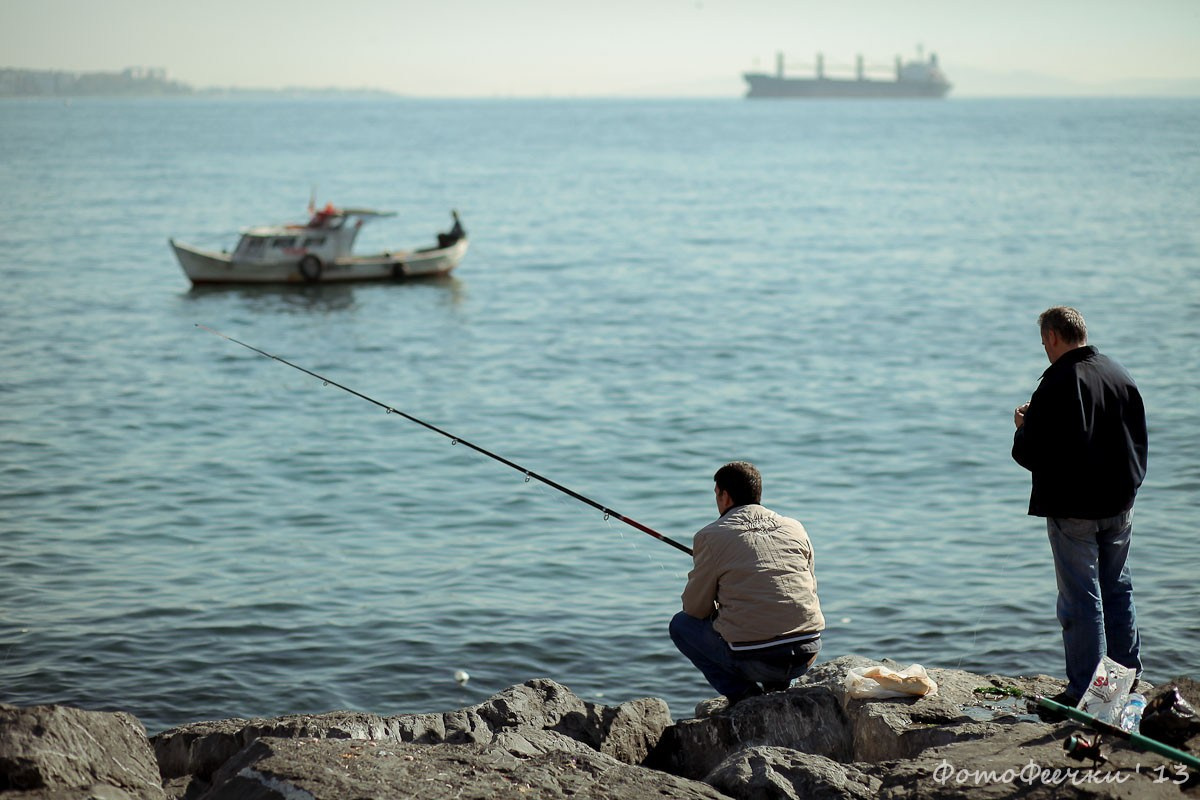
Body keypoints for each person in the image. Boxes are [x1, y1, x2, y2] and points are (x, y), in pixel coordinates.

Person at [1012, 306, 1148, 704]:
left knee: (1081, 599)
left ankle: (1087, 691)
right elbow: (1136, 438)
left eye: (1044, 343)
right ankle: (1126, 679)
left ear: (1053, 337)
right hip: (1120, 503)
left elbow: (1034, 452)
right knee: (1117, 588)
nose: (1045, 350)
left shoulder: (1059, 381)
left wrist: (1024, 428)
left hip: (1075, 509)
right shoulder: (1118, 373)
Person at [670, 461, 825, 705]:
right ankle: (779, 686)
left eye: (717, 494)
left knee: (681, 625)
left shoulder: (710, 536)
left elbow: (695, 609)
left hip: (757, 661)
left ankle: (744, 696)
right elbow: (809, 587)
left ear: (725, 496)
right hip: (807, 653)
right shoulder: (794, 527)